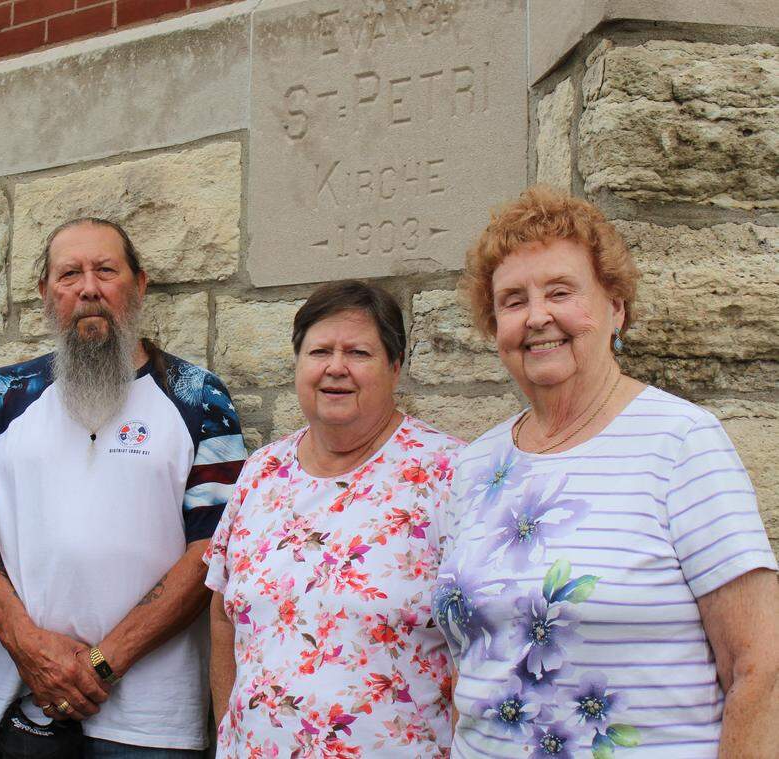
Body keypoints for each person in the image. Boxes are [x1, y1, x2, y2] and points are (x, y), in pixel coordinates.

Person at [433, 186, 779, 757]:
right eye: (513, 300)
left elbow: (759, 668)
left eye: (561, 292)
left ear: (615, 307)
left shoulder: (681, 443)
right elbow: (469, 665)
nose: (537, 316)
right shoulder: (476, 465)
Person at [0, 217, 247, 757]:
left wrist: (102, 662)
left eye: (106, 270)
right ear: (45, 292)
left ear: (139, 284)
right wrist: (28, 644)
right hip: (14, 706)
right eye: (70, 274)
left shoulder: (199, 398)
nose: (89, 287)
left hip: (150, 722)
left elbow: (216, 547)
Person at [205, 280, 460, 758]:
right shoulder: (261, 472)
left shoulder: (448, 475)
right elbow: (223, 611)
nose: (336, 368)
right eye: (319, 350)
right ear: (298, 363)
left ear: (396, 367)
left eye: (359, 352)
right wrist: (228, 732)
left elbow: (480, 644)